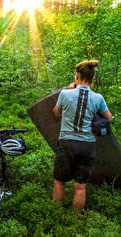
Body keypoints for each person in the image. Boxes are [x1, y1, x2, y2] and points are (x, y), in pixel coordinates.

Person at [52, 60, 112, 213]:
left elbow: (56, 113)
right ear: (91, 79)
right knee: (80, 186)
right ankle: (76, 219)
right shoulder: (98, 98)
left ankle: (56, 215)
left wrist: (69, 89)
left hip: (67, 144)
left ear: (77, 75)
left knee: (59, 182)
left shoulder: (65, 94)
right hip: (87, 145)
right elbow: (109, 118)